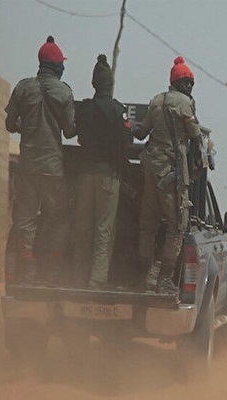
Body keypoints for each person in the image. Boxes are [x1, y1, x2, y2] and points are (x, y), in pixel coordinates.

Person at [4, 36, 75, 285]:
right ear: (57, 66)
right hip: (53, 169)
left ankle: (28, 265)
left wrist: (27, 126)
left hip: (27, 167)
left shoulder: (23, 87)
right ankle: (53, 269)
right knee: (57, 218)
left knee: (25, 217)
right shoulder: (65, 92)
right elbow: (69, 131)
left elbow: (10, 124)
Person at [132, 56, 203, 294]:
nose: (190, 86)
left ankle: (145, 277)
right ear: (178, 82)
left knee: (147, 225)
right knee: (177, 226)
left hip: (151, 171)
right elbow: (195, 136)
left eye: (191, 82)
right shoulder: (185, 104)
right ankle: (161, 277)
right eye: (187, 82)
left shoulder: (156, 101)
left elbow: (141, 132)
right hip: (172, 174)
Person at [72, 54, 130, 290]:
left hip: (85, 175)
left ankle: (76, 276)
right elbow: (127, 138)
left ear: (94, 83)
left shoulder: (84, 109)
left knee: (82, 226)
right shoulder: (118, 110)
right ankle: (96, 279)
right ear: (110, 84)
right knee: (104, 228)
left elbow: (73, 131)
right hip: (108, 176)